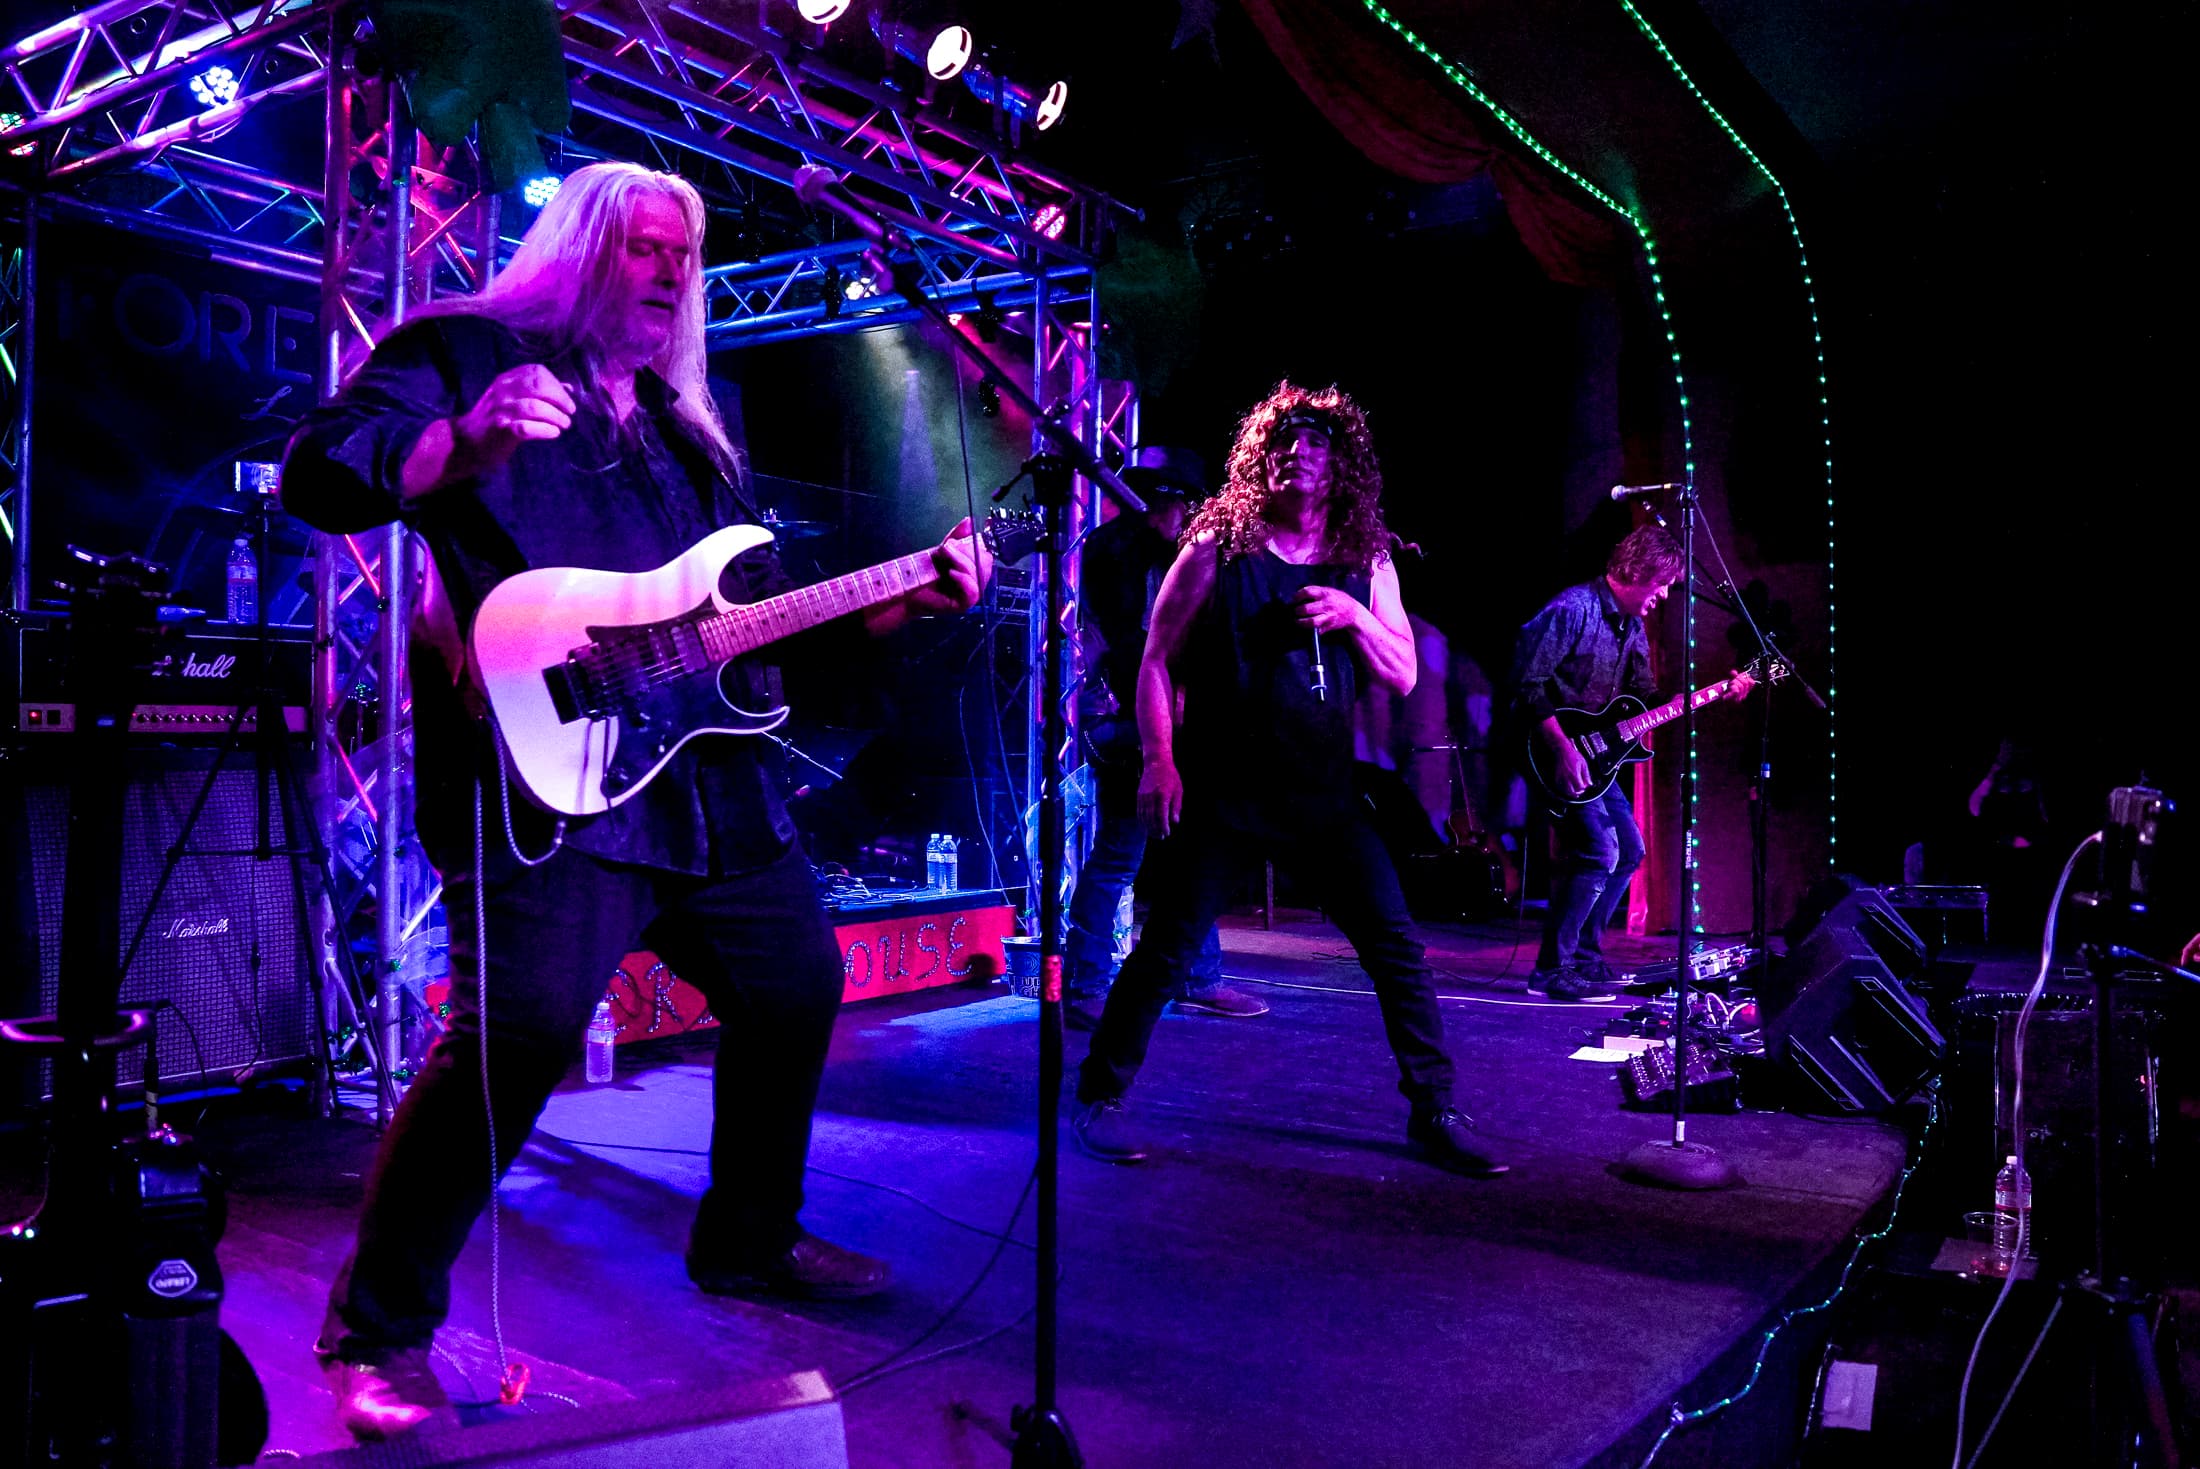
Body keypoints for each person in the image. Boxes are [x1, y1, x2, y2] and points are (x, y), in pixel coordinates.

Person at [279, 162, 988, 1441]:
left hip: (707, 791)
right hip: (547, 778)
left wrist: (898, 604)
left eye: (683, 254)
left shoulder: (689, 431)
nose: (669, 273)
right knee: (518, 1036)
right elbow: (320, 469)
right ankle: (376, 1330)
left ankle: (748, 1238)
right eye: (644, 246)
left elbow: (742, 634)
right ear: (579, 245)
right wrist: (460, 444)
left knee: (797, 984)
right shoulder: (466, 352)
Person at [1070, 383, 1506, 1179]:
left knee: (1396, 948)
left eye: (1314, 445)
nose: (1296, 455)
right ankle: (1100, 1094)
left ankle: (1437, 1109)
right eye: (1282, 444)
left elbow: (1404, 673)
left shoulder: (1365, 559)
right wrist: (1160, 758)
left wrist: (1354, 617)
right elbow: (1156, 659)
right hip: (1226, 789)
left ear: (1341, 465)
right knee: (1166, 949)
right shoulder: (1217, 545)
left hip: (1323, 797)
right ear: (1258, 460)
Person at [1063, 444, 1267, 1031]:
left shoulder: (1185, 552)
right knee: (1119, 854)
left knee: (1194, 853)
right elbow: (1132, 645)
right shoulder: (1119, 551)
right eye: (1173, 501)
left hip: (1177, 725)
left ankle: (1197, 979)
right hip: (1134, 724)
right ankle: (1085, 984)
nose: (1182, 514)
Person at [1511, 523, 1749, 1001]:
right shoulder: (1572, 609)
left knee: (1630, 851)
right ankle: (1551, 970)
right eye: (1661, 584)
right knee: (1600, 851)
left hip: (1599, 758)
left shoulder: (1632, 627)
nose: (1664, 596)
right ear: (1637, 570)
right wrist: (1562, 748)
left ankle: (1584, 959)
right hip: (1552, 751)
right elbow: (1525, 684)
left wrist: (1709, 695)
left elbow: (1644, 697)